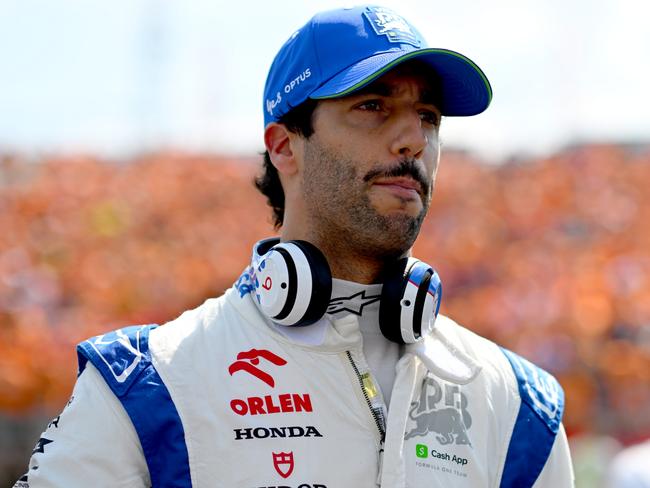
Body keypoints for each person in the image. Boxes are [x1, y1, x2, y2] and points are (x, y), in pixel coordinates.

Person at [15, 5, 574, 488]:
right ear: (285, 146)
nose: (413, 140)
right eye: (372, 106)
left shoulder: (520, 404)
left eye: (427, 116)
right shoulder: (147, 386)